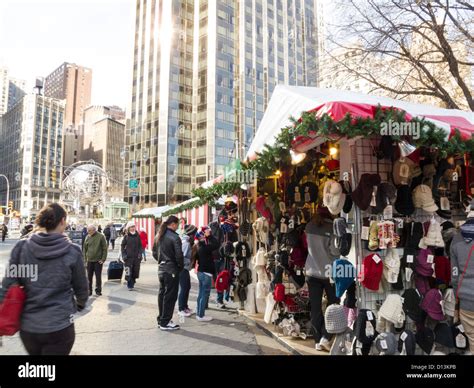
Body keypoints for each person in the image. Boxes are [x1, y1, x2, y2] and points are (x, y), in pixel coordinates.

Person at [0, 203, 88, 355]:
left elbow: (7, 287)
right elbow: (82, 289)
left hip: (29, 328)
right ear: (62, 221)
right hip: (60, 326)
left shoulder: (21, 248)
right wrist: (78, 304)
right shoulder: (72, 251)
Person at [304, 211, 340, 351]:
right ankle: (326, 336)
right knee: (334, 304)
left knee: (315, 308)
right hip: (328, 272)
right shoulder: (332, 228)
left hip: (311, 271)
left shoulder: (309, 226)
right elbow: (335, 251)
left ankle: (317, 341)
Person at [152, 216, 183, 331]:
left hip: (161, 269)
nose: (178, 227)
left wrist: (161, 261)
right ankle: (165, 321)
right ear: (174, 224)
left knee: (162, 294)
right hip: (171, 269)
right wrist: (179, 267)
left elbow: (155, 253)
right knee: (170, 296)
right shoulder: (174, 237)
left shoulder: (159, 235)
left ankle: (162, 319)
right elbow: (179, 256)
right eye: (177, 224)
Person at [191, 226, 219, 322]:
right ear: (202, 237)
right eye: (205, 235)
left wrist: (207, 236)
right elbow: (216, 244)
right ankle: (201, 315)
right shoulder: (204, 247)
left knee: (201, 293)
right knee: (204, 294)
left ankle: (199, 312)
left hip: (201, 272)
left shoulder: (198, 246)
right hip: (205, 274)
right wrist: (209, 236)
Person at [178, 224, 197, 317]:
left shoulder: (187, 241)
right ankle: (181, 308)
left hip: (184, 268)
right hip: (182, 268)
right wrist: (189, 262)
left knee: (187, 287)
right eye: (195, 233)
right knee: (184, 288)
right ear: (191, 234)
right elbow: (182, 256)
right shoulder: (185, 243)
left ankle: (185, 307)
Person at [83, 224, 108, 296]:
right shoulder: (87, 237)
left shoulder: (101, 236)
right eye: (88, 230)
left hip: (98, 261)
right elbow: (84, 249)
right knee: (89, 277)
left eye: (89, 230)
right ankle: (89, 290)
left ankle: (98, 290)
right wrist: (85, 260)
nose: (88, 232)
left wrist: (103, 259)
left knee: (98, 276)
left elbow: (104, 248)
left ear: (94, 230)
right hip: (89, 260)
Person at [121, 222, 143, 290]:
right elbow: (122, 246)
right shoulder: (126, 236)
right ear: (128, 228)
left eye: (133, 227)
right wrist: (124, 255)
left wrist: (140, 254)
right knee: (128, 271)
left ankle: (132, 281)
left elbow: (140, 246)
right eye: (131, 227)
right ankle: (129, 284)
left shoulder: (137, 235)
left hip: (136, 257)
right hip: (128, 257)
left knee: (135, 271)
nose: (133, 228)